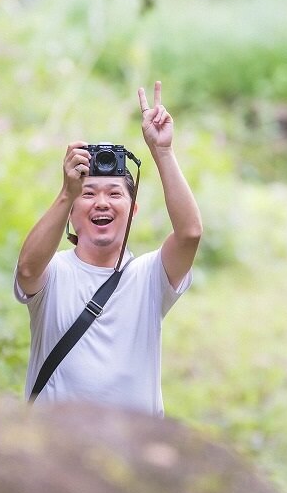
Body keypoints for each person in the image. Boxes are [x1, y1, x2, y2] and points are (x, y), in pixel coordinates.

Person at [14, 81, 203, 416]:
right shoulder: (54, 273)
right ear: (71, 212)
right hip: (55, 453)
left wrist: (163, 152)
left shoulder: (149, 276)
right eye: (88, 194)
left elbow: (189, 235)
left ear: (133, 210)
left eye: (115, 194)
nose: (101, 202)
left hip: (132, 455)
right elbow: (27, 270)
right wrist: (66, 191)